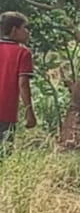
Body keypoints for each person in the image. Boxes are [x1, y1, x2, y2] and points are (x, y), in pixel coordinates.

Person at [0, 12, 36, 146]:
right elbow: (23, 84)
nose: (28, 32)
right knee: (3, 155)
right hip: (5, 112)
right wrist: (29, 112)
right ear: (14, 30)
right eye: (25, 28)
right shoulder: (23, 53)